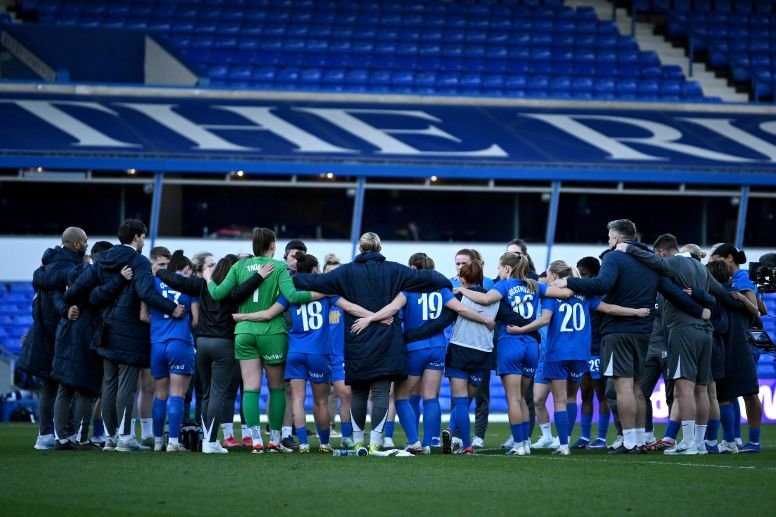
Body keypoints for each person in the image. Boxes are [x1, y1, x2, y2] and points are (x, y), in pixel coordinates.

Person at [554, 219, 708, 454]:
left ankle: (629, 440)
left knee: (622, 387)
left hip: (618, 330)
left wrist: (569, 281)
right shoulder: (650, 261)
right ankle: (638, 438)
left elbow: (601, 283)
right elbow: (672, 291)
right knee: (637, 388)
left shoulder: (614, 257)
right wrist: (700, 310)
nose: (608, 240)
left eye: (609, 237)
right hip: (644, 331)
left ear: (616, 238)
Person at [292, 232, 452, 453]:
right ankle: (376, 442)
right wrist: (445, 282)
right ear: (379, 248)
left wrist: (291, 275)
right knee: (380, 392)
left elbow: (313, 280)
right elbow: (427, 278)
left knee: (358, 392)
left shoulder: (346, 271)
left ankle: (358, 441)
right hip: (388, 340)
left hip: (357, 338)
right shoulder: (395, 269)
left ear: (360, 249)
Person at [351, 252, 496, 454]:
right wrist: (486, 320)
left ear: (413, 269)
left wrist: (370, 318)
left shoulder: (408, 290)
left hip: (413, 349)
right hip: (437, 349)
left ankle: (414, 441)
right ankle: (431, 441)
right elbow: (461, 309)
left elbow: (391, 309)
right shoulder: (441, 289)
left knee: (401, 396)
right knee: (431, 397)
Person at [509, 260, 650, 456]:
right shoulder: (585, 295)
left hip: (557, 353)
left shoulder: (550, 296)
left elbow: (544, 319)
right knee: (570, 398)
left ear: (555, 276)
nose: (547, 278)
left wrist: (520, 329)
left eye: (549, 275)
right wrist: (636, 312)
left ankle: (564, 446)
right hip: (580, 354)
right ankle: (573, 439)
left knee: (559, 400)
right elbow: (609, 309)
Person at [67, 219, 185, 452]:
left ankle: (110, 438)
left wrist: (79, 299)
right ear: (137, 236)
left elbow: (81, 291)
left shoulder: (104, 259)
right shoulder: (138, 260)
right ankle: (125, 438)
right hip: (130, 332)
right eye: (143, 236)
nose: (143, 241)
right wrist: (171, 308)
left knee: (109, 385)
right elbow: (145, 292)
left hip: (105, 330)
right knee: (127, 388)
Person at [236, 252, 372, 453]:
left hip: (295, 352)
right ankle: (325, 443)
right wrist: (375, 316)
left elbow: (267, 315)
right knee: (321, 401)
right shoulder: (326, 291)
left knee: (297, 399)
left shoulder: (290, 292)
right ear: (316, 269)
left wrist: (243, 316)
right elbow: (351, 308)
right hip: (319, 353)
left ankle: (304, 444)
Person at [207, 228, 313, 453]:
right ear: (273, 244)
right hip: (272, 333)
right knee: (276, 389)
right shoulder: (279, 267)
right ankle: (274, 441)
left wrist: (208, 279)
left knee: (250, 389)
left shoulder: (239, 266)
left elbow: (217, 294)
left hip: (244, 332)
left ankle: (255, 441)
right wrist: (321, 293)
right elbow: (293, 297)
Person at [157, 253, 270, 453]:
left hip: (202, 343)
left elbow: (177, 281)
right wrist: (259, 275)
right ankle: (210, 441)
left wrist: (159, 271)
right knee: (218, 393)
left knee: (206, 393)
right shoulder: (234, 290)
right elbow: (248, 288)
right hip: (224, 344)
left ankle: (208, 440)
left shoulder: (202, 285)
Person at [19, 226, 89, 450]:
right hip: (62, 333)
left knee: (49, 387)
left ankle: (45, 435)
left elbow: (41, 297)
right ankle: (64, 434)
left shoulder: (46, 267)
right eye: (85, 241)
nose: (87, 244)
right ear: (76, 244)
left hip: (45, 332)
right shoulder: (70, 268)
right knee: (65, 387)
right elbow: (60, 297)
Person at [53, 241, 120, 450]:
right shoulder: (96, 275)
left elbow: (53, 290)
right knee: (87, 389)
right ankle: (81, 438)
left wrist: (65, 309)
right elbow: (98, 297)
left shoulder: (71, 272)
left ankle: (62, 438)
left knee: (64, 388)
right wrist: (120, 279)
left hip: (65, 332)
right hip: (87, 335)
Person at [139, 251, 200, 452]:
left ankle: (158, 442)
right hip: (180, 342)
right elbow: (196, 320)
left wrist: (159, 324)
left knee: (160, 394)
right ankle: (173, 442)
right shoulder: (189, 287)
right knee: (178, 395)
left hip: (157, 343)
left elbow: (143, 316)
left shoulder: (152, 284)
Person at [709, 244, 763, 453]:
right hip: (745, 340)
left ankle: (745, 441)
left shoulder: (739, 280)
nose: (713, 263)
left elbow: (757, 311)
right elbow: (763, 309)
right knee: (737, 393)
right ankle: (737, 439)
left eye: (716, 259)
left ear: (729, 258)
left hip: (740, 342)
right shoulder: (740, 280)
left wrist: (742, 298)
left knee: (742, 394)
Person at [572, 256, 611, 450]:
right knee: (585, 394)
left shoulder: (601, 296)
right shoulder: (577, 295)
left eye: (585, 275)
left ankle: (602, 438)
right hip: (582, 352)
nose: (582, 278)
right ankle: (585, 437)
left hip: (597, 350)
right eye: (580, 275)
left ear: (595, 275)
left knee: (602, 394)